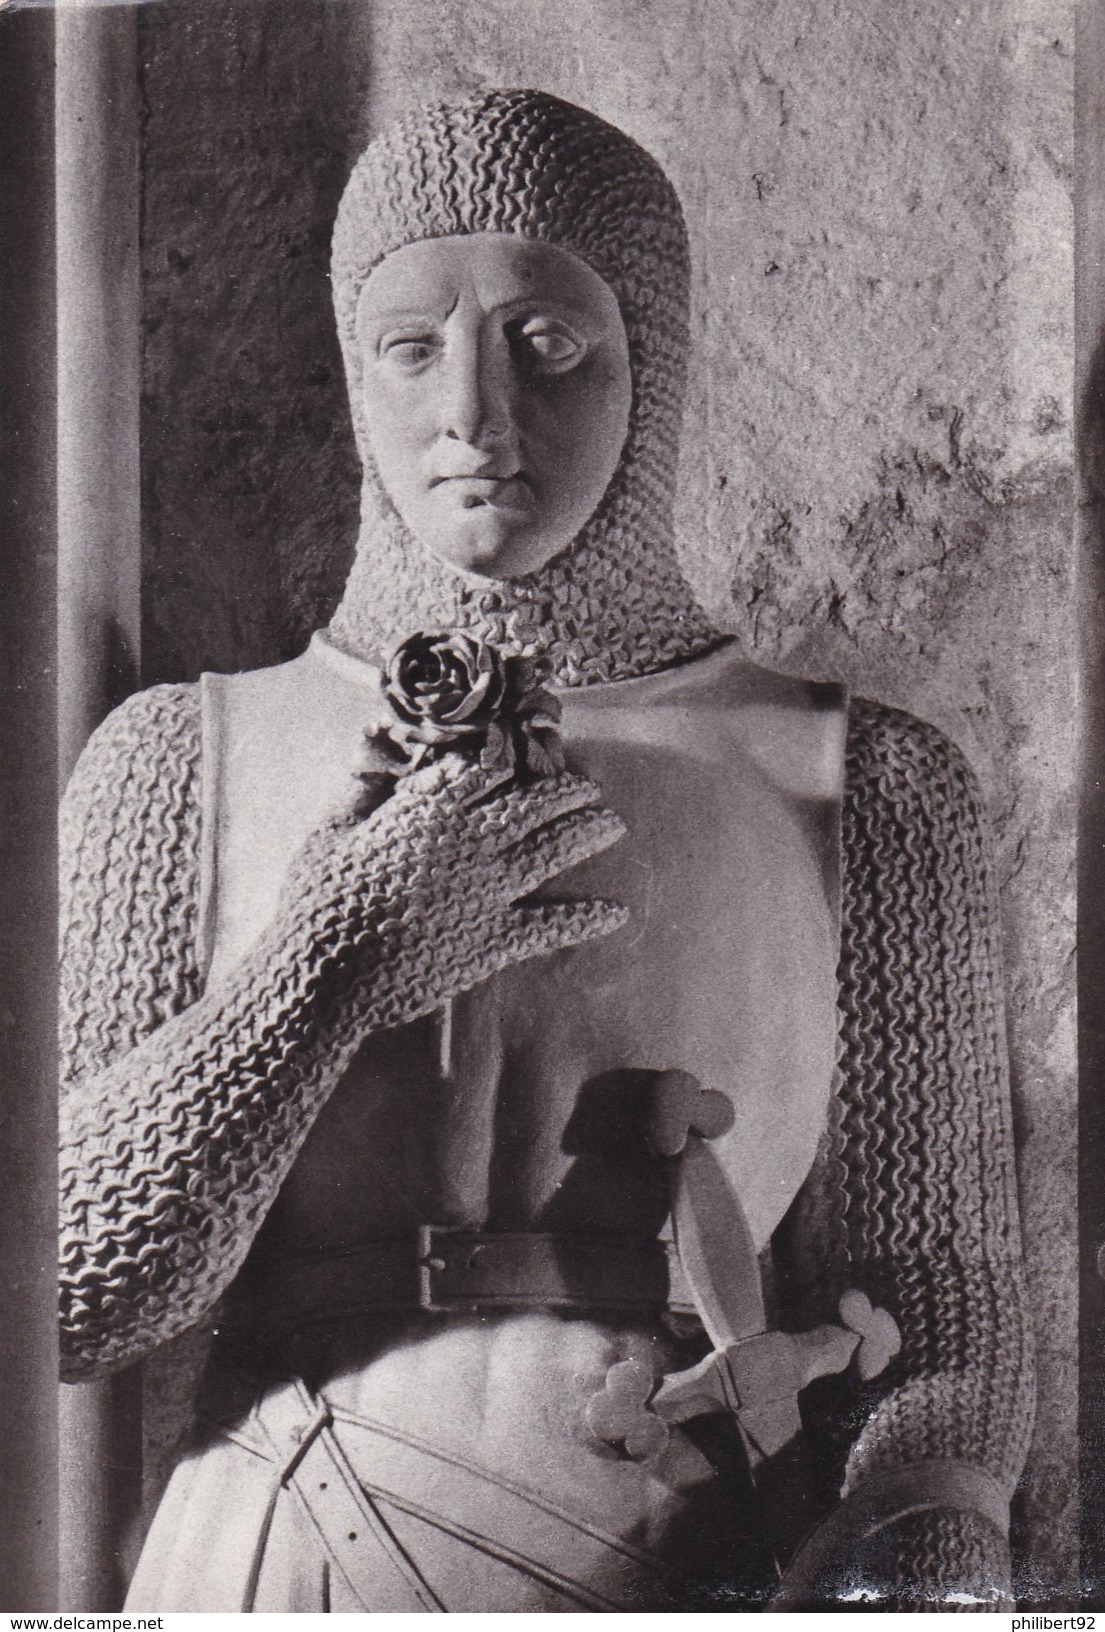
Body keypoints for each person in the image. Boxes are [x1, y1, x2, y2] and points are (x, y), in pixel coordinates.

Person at [60, 89, 1035, 1611]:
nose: (472, 414)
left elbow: (945, 1306)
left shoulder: (869, 785)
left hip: (675, 1564)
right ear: (351, 373)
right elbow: (64, 1291)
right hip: (261, 1564)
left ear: (651, 366)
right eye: (411, 347)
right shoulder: (176, 762)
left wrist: (918, 1542)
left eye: (547, 344)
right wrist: (332, 959)